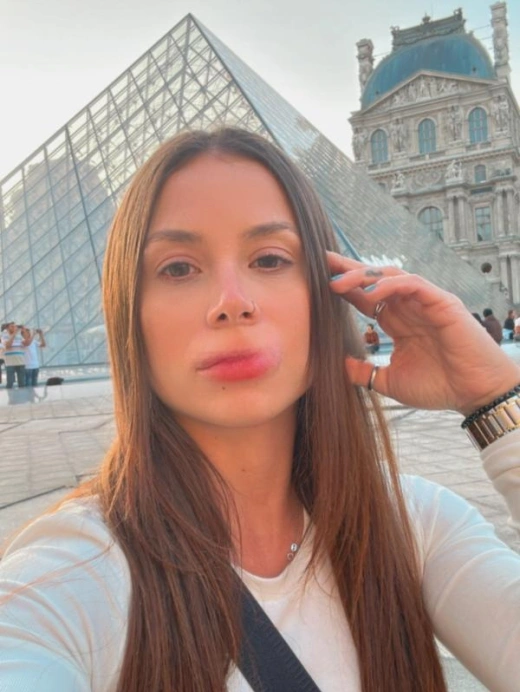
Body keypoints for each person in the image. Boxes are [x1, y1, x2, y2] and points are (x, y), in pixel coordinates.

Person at [0, 128, 520, 692]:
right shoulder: (71, 574)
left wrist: (494, 396)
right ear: (131, 315)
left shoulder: (416, 526)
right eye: (178, 268)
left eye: (270, 259)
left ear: (327, 292)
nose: (232, 301)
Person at [0, 322, 29, 389]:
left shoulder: (19, 336)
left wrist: (24, 331)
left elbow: (27, 343)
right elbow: (8, 345)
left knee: (22, 383)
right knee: (10, 382)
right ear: (7, 328)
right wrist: (14, 333)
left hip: (21, 362)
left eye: (15, 326)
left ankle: (22, 395)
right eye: (12, 326)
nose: (14, 328)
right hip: (10, 363)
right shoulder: (4, 336)